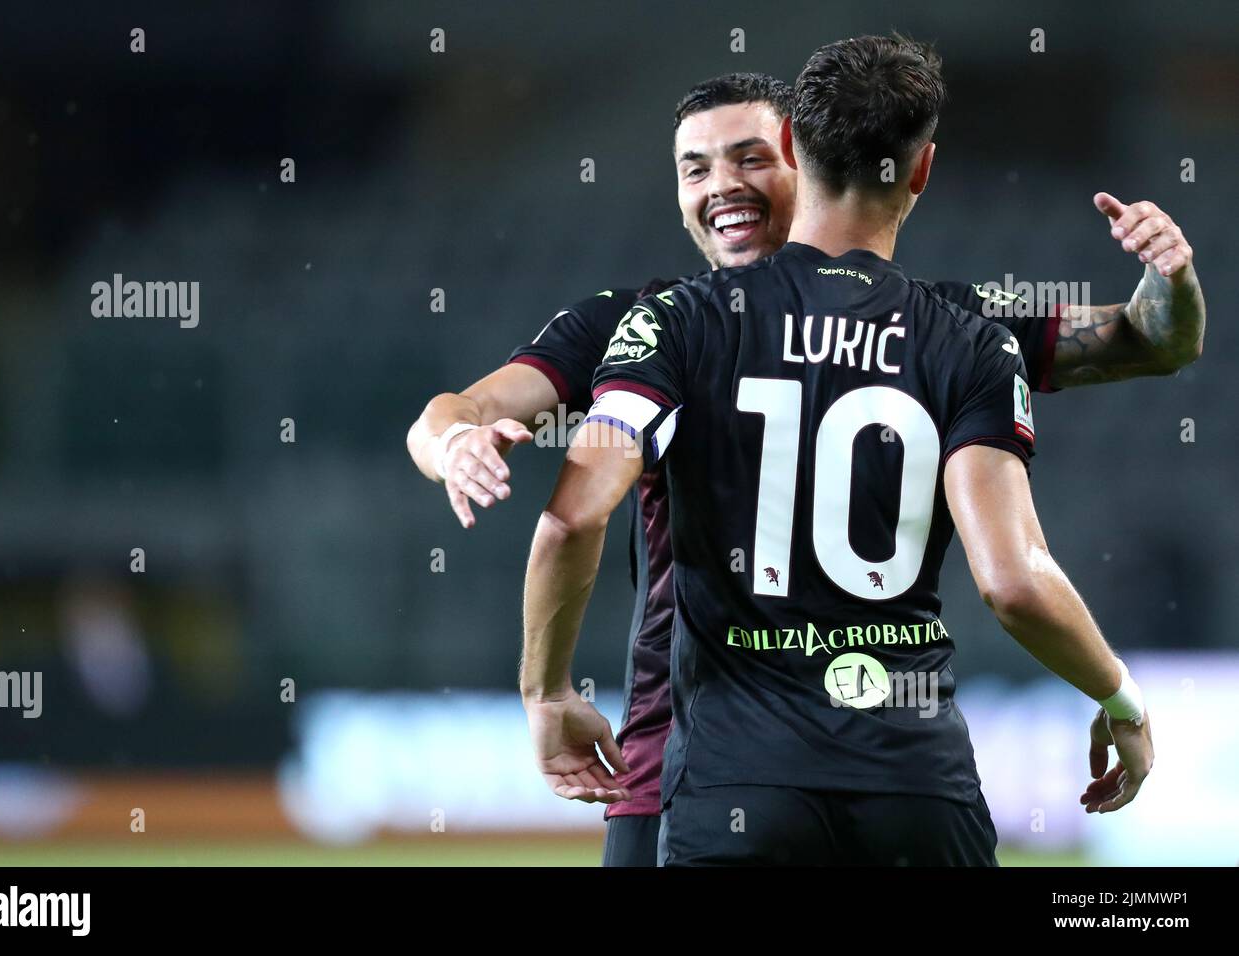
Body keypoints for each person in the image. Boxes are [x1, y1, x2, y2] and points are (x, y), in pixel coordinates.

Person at [407, 70, 1202, 865]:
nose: (723, 186)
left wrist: (1169, 275)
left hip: (728, 776)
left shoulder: (924, 322)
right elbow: (454, 412)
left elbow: (1149, 338)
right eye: (696, 168)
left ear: (803, 154)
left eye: (749, 158)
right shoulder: (641, 321)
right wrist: (453, 443)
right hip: (676, 759)